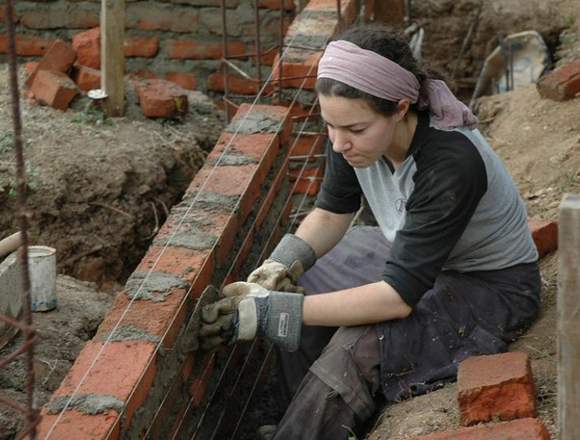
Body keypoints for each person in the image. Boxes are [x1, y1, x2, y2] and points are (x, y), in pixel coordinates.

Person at [200, 25, 541, 440]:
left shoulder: (450, 162)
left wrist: (269, 312)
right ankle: (300, 414)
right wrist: (280, 265)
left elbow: (396, 299)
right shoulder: (353, 131)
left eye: (354, 130)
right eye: (331, 126)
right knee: (305, 277)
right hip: (420, 258)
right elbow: (330, 214)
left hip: (490, 287)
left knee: (357, 343)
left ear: (399, 108)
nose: (340, 143)